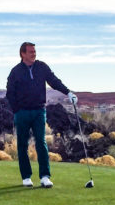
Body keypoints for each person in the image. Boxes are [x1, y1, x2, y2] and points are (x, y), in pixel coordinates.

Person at [6, 42, 78, 188]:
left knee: (41, 142)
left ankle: (45, 176)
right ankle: (26, 177)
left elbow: (54, 81)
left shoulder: (42, 67)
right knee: (22, 145)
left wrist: (68, 92)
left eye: (34, 51)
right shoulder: (15, 71)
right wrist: (17, 110)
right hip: (22, 112)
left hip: (39, 110)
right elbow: (10, 93)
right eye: (31, 51)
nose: (34, 54)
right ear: (23, 54)